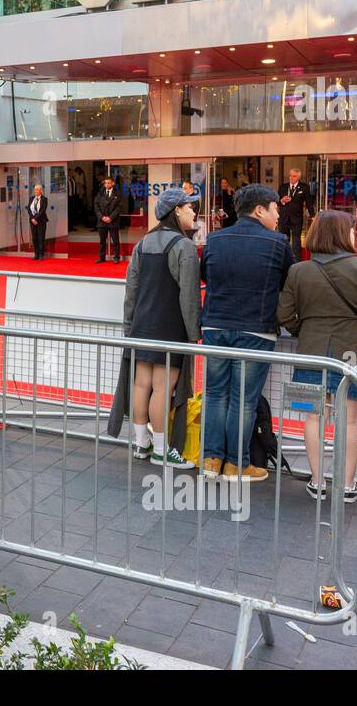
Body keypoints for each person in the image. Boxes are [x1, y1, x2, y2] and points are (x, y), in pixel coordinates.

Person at [277, 210, 357, 503]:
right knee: (350, 421)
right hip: (352, 351)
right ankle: (348, 484)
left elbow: (284, 314)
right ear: (342, 234)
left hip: (311, 350)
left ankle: (316, 481)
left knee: (313, 418)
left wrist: (306, 327)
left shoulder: (299, 270)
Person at [200, 183, 294, 481]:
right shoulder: (278, 243)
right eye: (275, 208)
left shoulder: (215, 239)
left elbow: (206, 275)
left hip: (215, 324)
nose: (278, 214)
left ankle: (211, 461)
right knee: (243, 399)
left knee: (215, 394)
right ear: (259, 210)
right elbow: (289, 283)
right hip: (257, 328)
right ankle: (236, 464)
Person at [110, 187, 200, 469]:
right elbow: (189, 295)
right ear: (176, 211)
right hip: (168, 328)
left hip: (141, 325)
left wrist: (129, 325)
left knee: (141, 385)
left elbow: (131, 290)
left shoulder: (143, 243)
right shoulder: (183, 246)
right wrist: (194, 333)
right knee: (163, 388)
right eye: (189, 207)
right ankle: (162, 450)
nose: (193, 212)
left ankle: (141, 443)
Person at [278, 168, 316, 260]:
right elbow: (277, 202)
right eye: (290, 175)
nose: (291, 178)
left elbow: (309, 203)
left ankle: (297, 262)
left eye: (294, 176)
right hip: (283, 218)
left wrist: (313, 216)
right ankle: (284, 260)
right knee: (283, 241)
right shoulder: (283, 186)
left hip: (296, 218)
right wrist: (282, 201)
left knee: (296, 242)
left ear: (298, 177)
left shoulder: (304, 187)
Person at [94, 175, 123, 263]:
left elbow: (119, 207)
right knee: (102, 241)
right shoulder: (100, 193)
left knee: (115, 241)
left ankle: (116, 257)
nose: (107, 184)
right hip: (102, 221)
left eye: (109, 183)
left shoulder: (118, 194)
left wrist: (110, 217)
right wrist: (102, 217)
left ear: (113, 183)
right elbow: (96, 206)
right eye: (105, 183)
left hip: (113, 221)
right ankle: (102, 257)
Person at [28, 184, 49, 259]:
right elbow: (29, 209)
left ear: (40, 191)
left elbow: (42, 210)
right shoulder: (31, 198)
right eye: (35, 190)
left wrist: (36, 219)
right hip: (32, 221)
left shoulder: (44, 199)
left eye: (37, 190)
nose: (35, 191)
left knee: (41, 238)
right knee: (34, 238)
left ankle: (41, 254)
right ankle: (36, 254)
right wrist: (32, 218)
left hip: (41, 221)